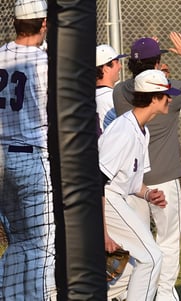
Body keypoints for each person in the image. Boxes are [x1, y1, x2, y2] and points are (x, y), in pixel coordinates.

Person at [113, 32, 181, 301]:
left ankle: (133, 292)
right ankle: (165, 294)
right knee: (167, 241)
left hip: (133, 182)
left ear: (131, 64)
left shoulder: (119, 92)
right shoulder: (169, 92)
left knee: (139, 242)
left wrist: (149, 60)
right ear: (158, 62)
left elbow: (139, 82)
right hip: (164, 180)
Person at [100, 69, 181, 300]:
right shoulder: (123, 129)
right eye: (167, 95)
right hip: (106, 198)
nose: (171, 98)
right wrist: (103, 231)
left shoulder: (140, 129)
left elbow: (131, 181)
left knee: (135, 264)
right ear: (154, 97)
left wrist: (148, 195)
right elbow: (97, 181)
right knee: (152, 257)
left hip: (116, 198)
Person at [0, 0, 56, 299]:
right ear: (44, 23)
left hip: (0, 159)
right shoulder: (44, 63)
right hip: (30, 156)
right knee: (43, 245)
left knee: (17, 242)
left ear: (16, 22)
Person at [96, 44, 127, 134]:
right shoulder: (113, 97)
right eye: (116, 62)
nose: (120, 66)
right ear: (106, 68)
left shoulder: (87, 96)